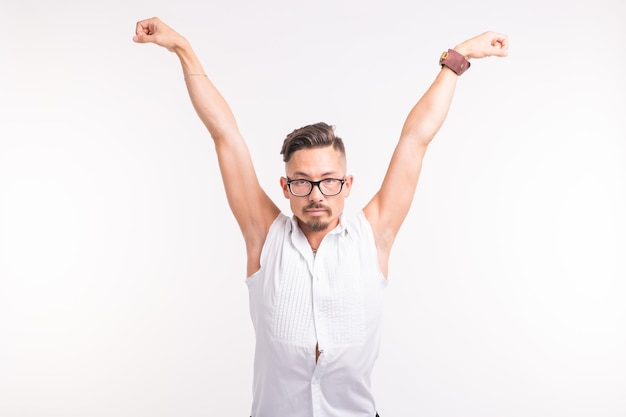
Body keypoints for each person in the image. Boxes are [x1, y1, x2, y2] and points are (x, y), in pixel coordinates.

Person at [133, 16, 508, 417]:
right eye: (302, 182)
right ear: (285, 186)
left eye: (328, 181)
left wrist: (459, 57)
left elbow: (415, 138)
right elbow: (225, 132)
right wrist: (182, 47)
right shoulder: (264, 237)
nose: (316, 195)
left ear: (347, 185)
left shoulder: (373, 234)